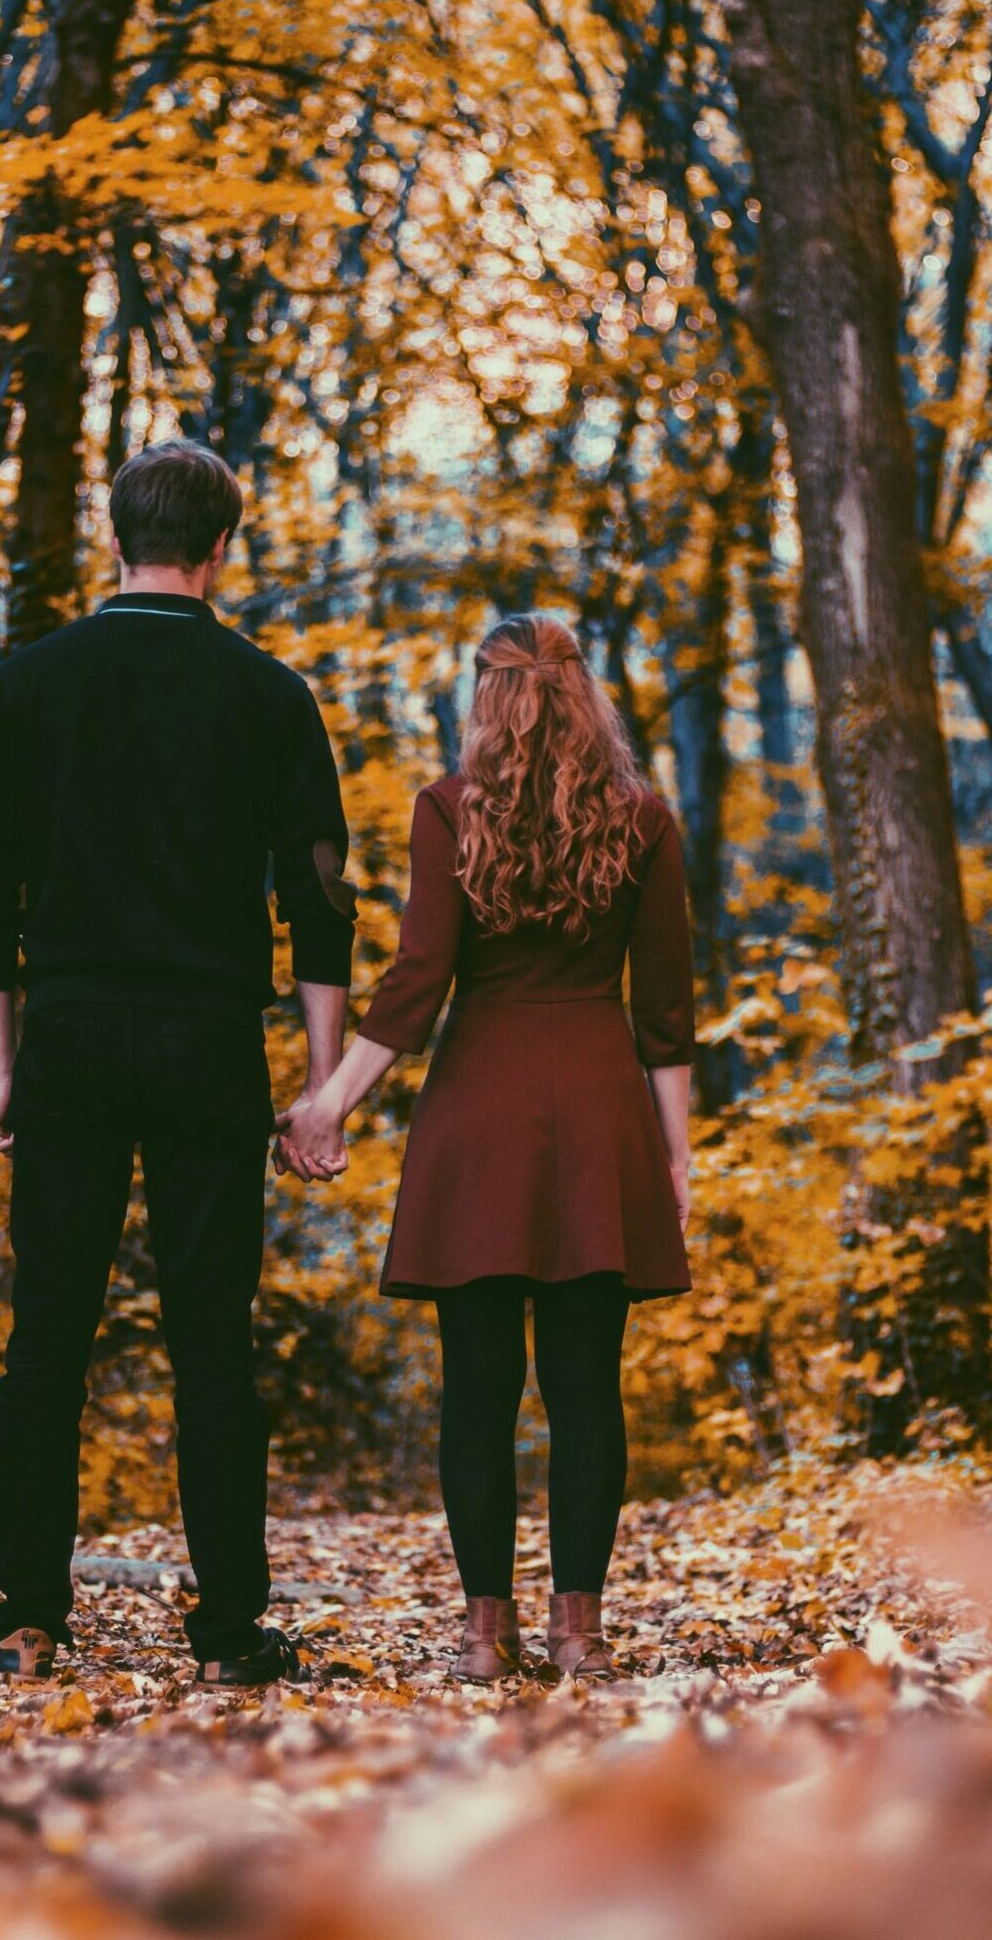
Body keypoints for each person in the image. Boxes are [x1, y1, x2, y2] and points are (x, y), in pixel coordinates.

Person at [0, 439, 357, 1687]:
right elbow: (321, 897)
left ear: (113, 531)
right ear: (223, 544)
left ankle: (27, 1618)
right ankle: (231, 1626)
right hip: (208, 1042)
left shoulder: (29, 683)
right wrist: (321, 1082)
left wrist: (2, 1060)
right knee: (212, 1344)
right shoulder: (270, 694)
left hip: (68, 1031)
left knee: (45, 1340)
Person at [280, 613, 694, 1684]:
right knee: (584, 1386)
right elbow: (665, 1013)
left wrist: (330, 1100)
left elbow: (418, 980)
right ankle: (579, 1630)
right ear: (581, 694)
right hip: (597, 1115)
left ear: (487, 699)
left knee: (475, 1386)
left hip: (478, 1116)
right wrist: (675, 1156)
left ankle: (482, 1630)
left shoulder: (447, 810)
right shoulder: (643, 820)